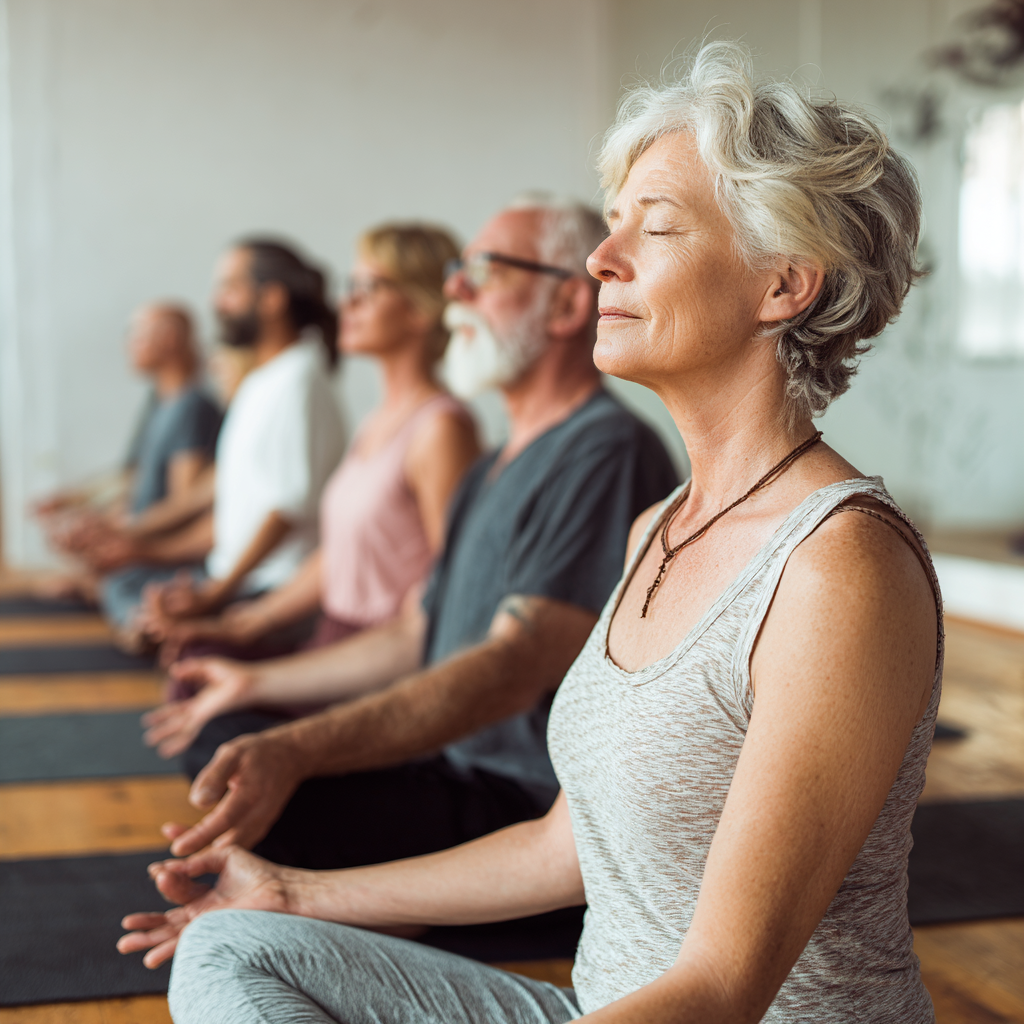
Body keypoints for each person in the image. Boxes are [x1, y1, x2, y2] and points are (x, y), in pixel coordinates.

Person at [121, 42, 942, 1024]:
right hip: (598, 1006)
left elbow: (723, 989)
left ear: (782, 285)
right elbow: (569, 843)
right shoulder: (658, 528)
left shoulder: (840, 566)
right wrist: (293, 892)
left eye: (658, 226)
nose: (602, 257)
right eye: (612, 224)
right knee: (230, 945)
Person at [133, 194, 678, 873]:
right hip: (447, 760)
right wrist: (253, 680)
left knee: (254, 775)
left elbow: (514, 667)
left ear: (568, 307)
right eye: (455, 272)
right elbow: (414, 631)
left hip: (515, 797)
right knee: (228, 738)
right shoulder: (488, 467)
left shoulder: (606, 450)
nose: (455, 289)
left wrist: (302, 747)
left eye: (483, 272)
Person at [141, 222, 479, 695]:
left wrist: (222, 598)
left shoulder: (442, 429)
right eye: (349, 287)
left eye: (368, 288)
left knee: (201, 695)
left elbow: (454, 584)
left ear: (421, 310)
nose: (347, 303)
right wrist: (244, 621)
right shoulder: (376, 422)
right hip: (333, 631)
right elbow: (338, 553)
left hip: (378, 654)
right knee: (192, 667)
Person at [138, 239, 346, 631]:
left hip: (270, 593)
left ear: (272, 299)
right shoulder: (264, 380)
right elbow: (237, 512)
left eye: (230, 288)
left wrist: (217, 594)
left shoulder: (298, 380)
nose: (217, 303)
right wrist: (142, 547)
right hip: (236, 582)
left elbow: (285, 510)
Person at [35, 303, 221, 622]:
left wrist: (121, 534)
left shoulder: (192, 407)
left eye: (135, 337)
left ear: (168, 340)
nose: (127, 346)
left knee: (129, 599)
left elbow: (185, 506)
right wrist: (81, 506)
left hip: (167, 556)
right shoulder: (158, 401)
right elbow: (134, 477)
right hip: (140, 539)